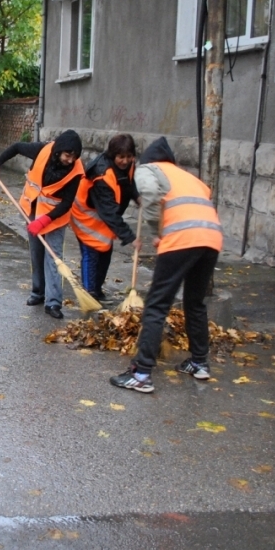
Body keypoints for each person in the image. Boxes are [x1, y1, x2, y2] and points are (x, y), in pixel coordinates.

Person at [110, 137, 222, 393]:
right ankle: (199, 362)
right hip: (211, 239)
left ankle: (141, 374)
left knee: (157, 304)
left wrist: (157, 231)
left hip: (181, 238)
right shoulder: (189, 178)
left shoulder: (150, 169)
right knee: (195, 302)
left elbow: (148, 195)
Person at [0, 130, 84, 319]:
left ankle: (53, 302)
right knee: (36, 254)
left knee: (54, 257)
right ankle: (37, 292)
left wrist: (45, 220)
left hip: (54, 218)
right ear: (58, 151)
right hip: (32, 209)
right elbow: (16, 147)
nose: (70, 160)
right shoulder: (41, 150)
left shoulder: (76, 171)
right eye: (67, 155)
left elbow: (66, 203)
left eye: (74, 157)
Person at [69, 134, 140, 301]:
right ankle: (89, 294)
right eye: (121, 157)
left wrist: (137, 197)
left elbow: (128, 184)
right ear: (112, 155)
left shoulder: (128, 165)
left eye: (129, 157)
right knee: (92, 253)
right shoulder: (101, 175)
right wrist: (130, 237)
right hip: (86, 216)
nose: (125, 161)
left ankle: (97, 289)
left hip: (103, 216)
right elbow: (109, 213)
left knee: (105, 254)